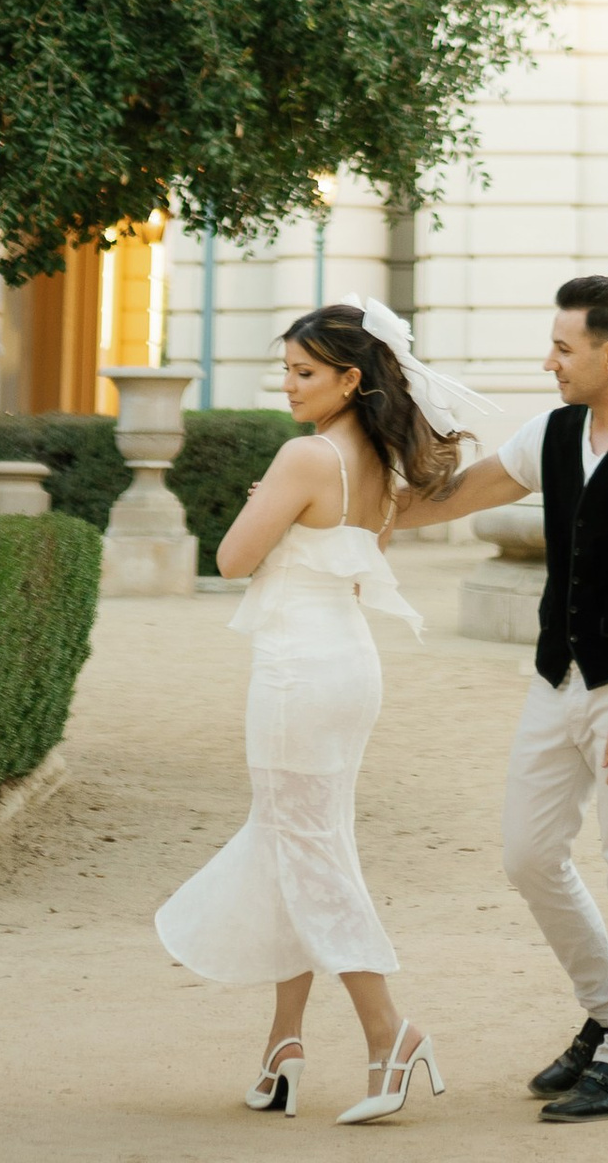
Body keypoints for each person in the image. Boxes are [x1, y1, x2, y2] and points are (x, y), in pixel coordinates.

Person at [157, 296, 500, 1125]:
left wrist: (264, 505)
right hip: (346, 665)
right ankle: (284, 1048)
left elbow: (235, 557)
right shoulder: (379, 463)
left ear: (350, 379)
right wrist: (278, 506)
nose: (287, 385)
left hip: (298, 675)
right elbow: (349, 548)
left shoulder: (305, 458)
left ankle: (393, 1034)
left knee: (309, 853)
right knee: (299, 845)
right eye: (286, 370)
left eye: (303, 372)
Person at [402, 274, 608, 1124]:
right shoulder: (553, 432)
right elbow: (460, 495)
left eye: (563, 349)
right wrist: (340, 509)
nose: (550, 362)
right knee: (528, 856)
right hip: (556, 679)